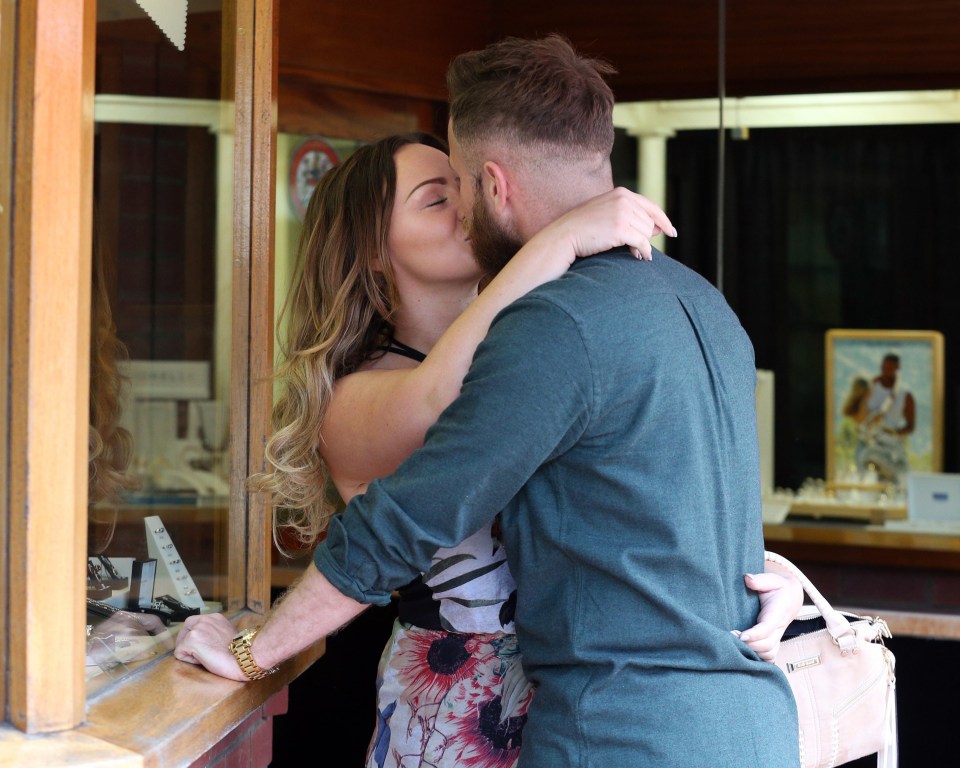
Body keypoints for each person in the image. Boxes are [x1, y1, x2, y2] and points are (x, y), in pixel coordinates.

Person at [176, 36, 802, 768]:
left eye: (460, 188)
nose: (461, 211)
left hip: (616, 730)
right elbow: (434, 469)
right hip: (709, 726)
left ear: (496, 186)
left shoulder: (556, 328)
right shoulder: (699, 301)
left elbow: (636, 506)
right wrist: (560, 238)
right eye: (434, 197)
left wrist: (753, 567)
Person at [856, 352, 916, 483]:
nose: (886, 371)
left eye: (890, 368)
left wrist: (893, 432)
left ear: (897, 369)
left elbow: (911, 426)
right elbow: (858, 414)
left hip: (892, 449)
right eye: (884, 368)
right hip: (869, 444)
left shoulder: (905, 395)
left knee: (898, 481)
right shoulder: (871, 387)